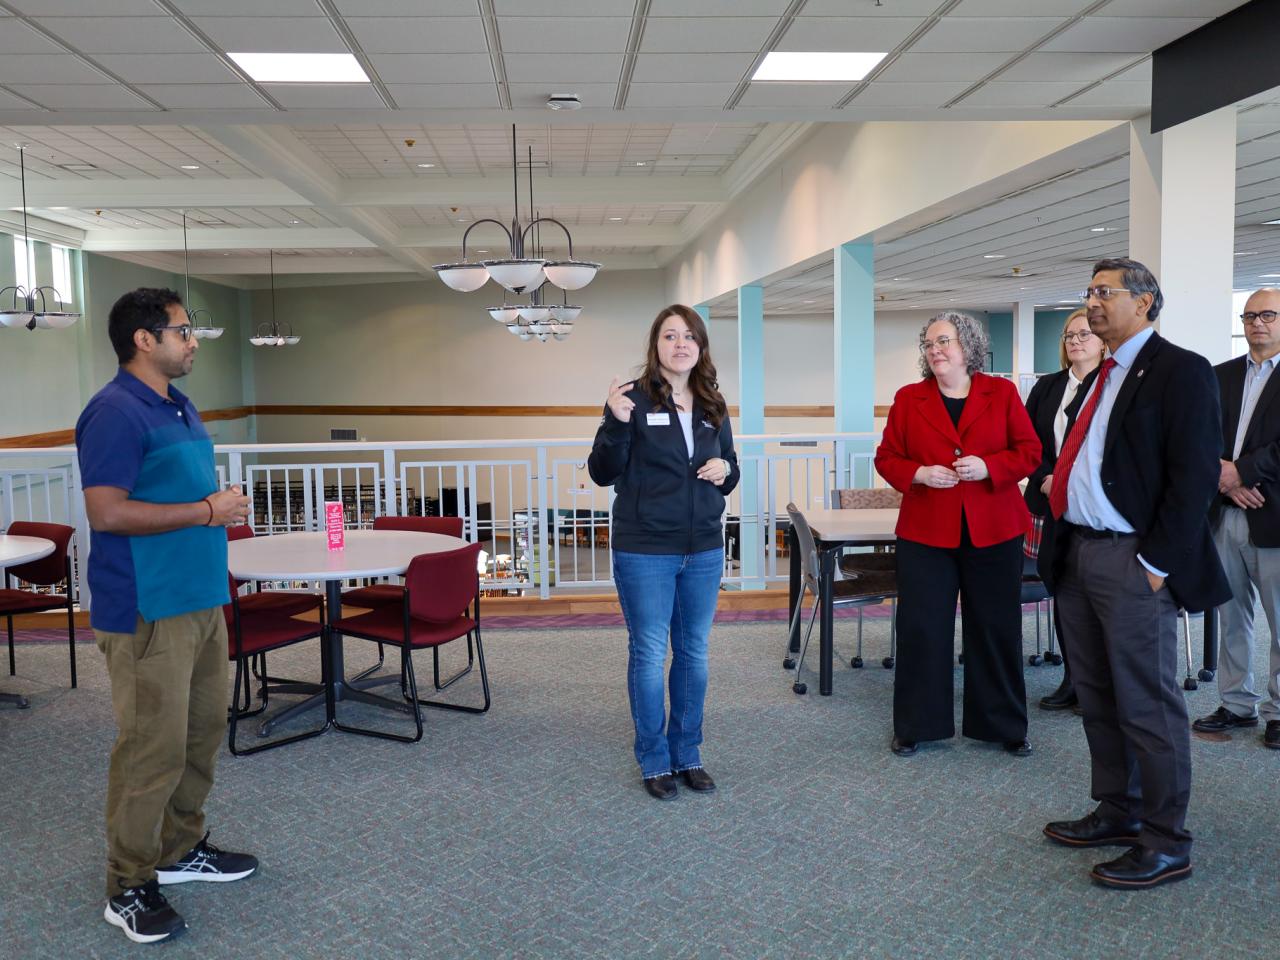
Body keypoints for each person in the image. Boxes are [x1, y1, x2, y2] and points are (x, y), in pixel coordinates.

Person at [1041, 258, 1229, 890]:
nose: (1092, 303)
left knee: (1148, 704)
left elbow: (1194, 478)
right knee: (1096, 694)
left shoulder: (1180, 371)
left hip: (1133, 561)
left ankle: (1166, 839)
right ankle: (1119, 810)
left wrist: (1154, 565)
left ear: (1146, 302)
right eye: (1089, 291)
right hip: (1080, 555)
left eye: (1105, 292)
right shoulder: (1101, 374)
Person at [76, 288, 256, 944]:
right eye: (184, 330)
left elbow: (173, 491)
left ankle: (180, 851)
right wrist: (209, 512)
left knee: (202, 733)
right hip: (147, 608)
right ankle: (126, 884)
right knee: (151, 747)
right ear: (144, 340)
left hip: (200, 597)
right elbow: (107, 512)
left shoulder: (176, 404)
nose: (194, 340)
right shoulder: (115, 412)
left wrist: (215, 504)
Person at [587, 304, 740, 801]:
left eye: (689, 336)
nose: (681, 344)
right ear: (656, 345)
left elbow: (730, 469)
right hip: (645, 549)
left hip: (703, 549)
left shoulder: (713, 403)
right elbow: (603, 472)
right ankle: (654, 758)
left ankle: (688, 753)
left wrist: (725, 472)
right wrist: (613, 422)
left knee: (693, 653)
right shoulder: (631, 400)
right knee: (651, 653)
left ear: (700, 347)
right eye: (670, 336)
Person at [874, 311, 1041, 759]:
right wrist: (918, 473)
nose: (935, 350)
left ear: (968, 346)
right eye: (928, 344)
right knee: (922, 629)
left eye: (944, 341)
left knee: (996, 628)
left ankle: (1004, 725)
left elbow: (1029, 452)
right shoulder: (910, 398)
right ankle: (915, 726)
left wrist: (990, 467)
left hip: (994, 529)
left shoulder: (1001, 392)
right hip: (926, 534)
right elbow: (886, 458)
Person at [1193, 288, 1280, 750]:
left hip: (1274, 513)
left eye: (1268, 314)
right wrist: (1225, 479)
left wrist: (1241, 471)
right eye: (1249, 315)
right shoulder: (1219, 375)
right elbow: (1197, 435)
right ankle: (1236, 703)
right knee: (1232, 614)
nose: (1257, 323)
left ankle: (1279, 711)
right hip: (1223, 512)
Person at [1023, 308, 1104, 710]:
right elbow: (1025, 443)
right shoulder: (1047, 387)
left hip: (1094, 508)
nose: (1075, 341)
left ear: (1103, 340)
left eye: (1084, 334)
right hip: (1048, 505)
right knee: (1064, 592)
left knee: (1098, 597)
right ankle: (1072, 679)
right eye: (1069, 335)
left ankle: (1099, 687)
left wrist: (1071, 483)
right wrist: (1045, 479)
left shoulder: (1112, 386)